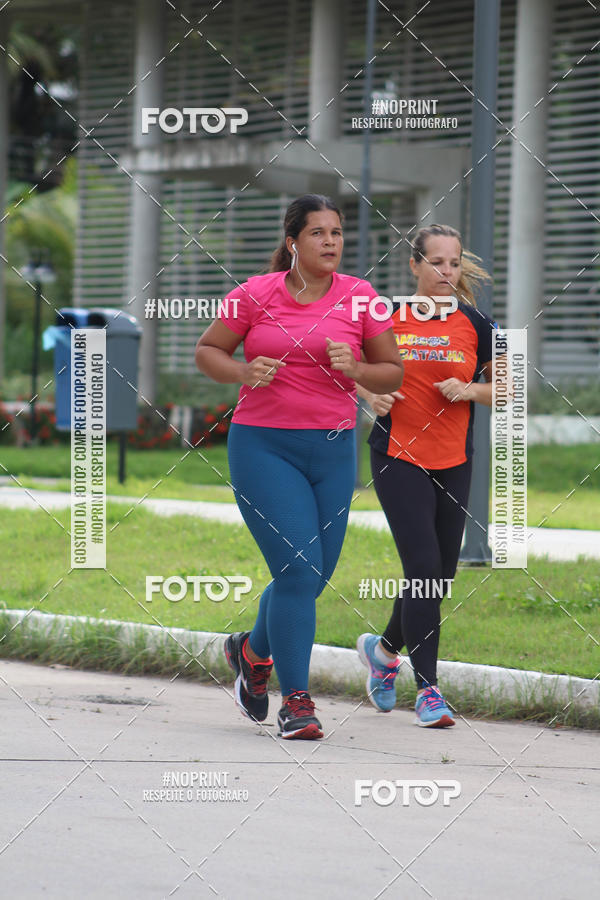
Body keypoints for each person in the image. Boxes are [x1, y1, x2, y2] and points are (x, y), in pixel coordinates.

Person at [195, 194, 403, 740]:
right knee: (296, 571)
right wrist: (242, 371)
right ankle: (299, 703)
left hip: (334, 450)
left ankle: (249, 652)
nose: (331, 241)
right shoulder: (253, 294)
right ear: (293, 241)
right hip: (264, 447)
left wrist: (356, 366)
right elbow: (207, 351)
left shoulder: (363, 298)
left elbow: (392, 375)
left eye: (336, 232)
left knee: (312, 576)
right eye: (318, 233)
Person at [356, 223, 496, 728]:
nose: (447, 272)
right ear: (414, 265)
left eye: (454, 263)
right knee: (423, 569)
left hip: (455, 459)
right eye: (436, 262)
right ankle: (429, 690)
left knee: (439, 575)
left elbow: (504, 388)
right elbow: (353, 369)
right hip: (398, 456)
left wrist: (469, 390)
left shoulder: (478, 323)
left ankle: (384, 651)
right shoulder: (387, 316)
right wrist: (371, 396)